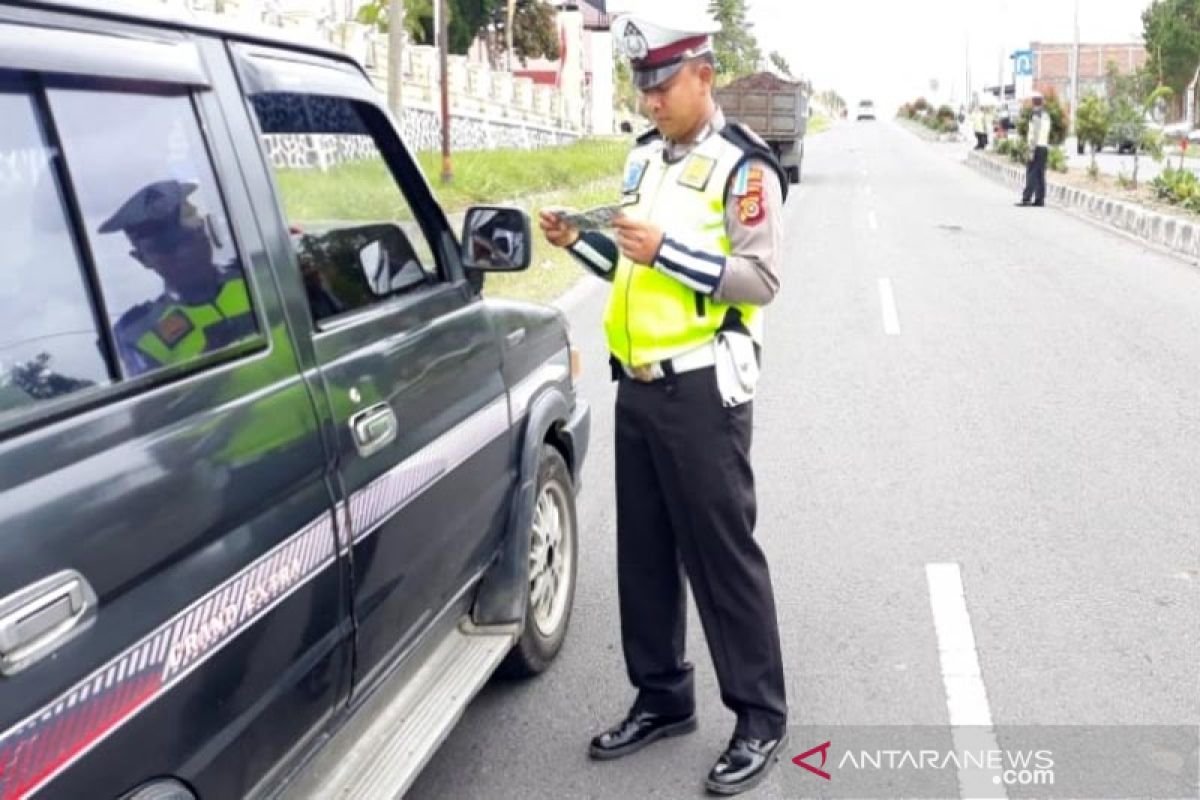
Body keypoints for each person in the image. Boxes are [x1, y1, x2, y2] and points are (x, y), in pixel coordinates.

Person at [539, 4, 790, 795]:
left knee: (721, 556)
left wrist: (670, 252)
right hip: (639, 387)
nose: (650, 101)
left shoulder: (743, 169)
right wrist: (577, 241)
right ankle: (662, 696)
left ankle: (759, 716)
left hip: (703, 387)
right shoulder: (643, 160)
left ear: (704, 76)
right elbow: (630, 268)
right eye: (642, 86)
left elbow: (760, 281)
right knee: (644, 557)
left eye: (663, 85)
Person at [100, 179, 257, 375]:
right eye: (165, 247)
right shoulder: (138, 336)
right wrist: (209, 361)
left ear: (206, 232)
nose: (184, 251)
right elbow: (156, 404)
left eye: (189, 236)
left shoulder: (256, 281)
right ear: (142, 259)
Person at [1018, 92, 1051, 207]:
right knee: (1040, 174)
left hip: (1036, 147)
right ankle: (1039, 199)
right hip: (1044, 146)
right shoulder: (1046, 115)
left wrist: (1031, 149)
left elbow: (1035, 133)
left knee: (1031, 173)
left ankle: (1026, 198)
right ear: (1042, 102)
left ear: (1033, 102)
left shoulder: (1035, 115)